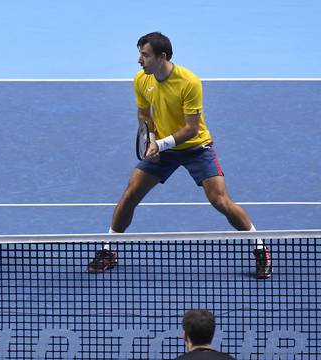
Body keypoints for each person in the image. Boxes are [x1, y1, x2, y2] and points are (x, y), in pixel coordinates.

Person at [88, 32, 272, 279]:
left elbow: (191, 129)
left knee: (220, 200)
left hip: (196, 147)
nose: (138, 60)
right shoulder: (142, 80)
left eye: (144, 55)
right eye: (140, 54)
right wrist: (151, 140)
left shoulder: (189, 82)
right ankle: (108, 249)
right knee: (131, 193)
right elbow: (144, 115)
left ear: (162, 56)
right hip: (162, 149)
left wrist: (160, 145)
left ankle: (259, 247)